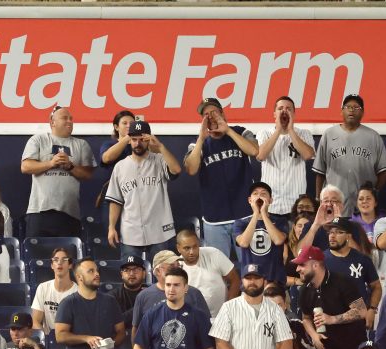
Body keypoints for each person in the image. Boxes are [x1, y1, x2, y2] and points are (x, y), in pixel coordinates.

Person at [184, 98, 258, 258]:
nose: (210, 117)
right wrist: (201, 139)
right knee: (217, 273)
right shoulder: (198, 144)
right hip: (215, 220)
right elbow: (191, 168)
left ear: (223, 113)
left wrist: (228, 131)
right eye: (206, 114)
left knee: (251, 267)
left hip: (244, 215)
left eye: (214, 112)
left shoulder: (240, 131)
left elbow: (254, 151)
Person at [106, 120, 180, 259]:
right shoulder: (120, 167)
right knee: (131, 274)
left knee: (163, 273)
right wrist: (111, 227)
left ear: (148, 140)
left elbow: (176, 170)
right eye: (134, 139)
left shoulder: (160, 160)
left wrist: (160, 147)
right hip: (130, 232)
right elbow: (115, 200)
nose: (137, 143)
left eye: (142, 139)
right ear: (129, 141)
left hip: (159, 230)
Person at [20, 106, 96, 237]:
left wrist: (70, 166)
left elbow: (88, 174)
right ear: (52, 122)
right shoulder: (38, 140)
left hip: (70, 213)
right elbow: (25, 167)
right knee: (37, 255)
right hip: (39, 211)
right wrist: (51, 163)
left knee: (69, 256)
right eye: (64, 118)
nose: (69, 121)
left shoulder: (81, 144)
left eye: (71, 119)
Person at [312, 94, 386, 214]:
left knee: (361, 232)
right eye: (348, 107)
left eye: (356, 107)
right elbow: (320, 172)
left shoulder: (373, 137)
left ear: (362, 113)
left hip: (363, 203)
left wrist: (374, 192)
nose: (352, 110)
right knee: (336, 230)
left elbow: (383, 171)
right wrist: (318, 198)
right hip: (334, 202)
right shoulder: (329, 134)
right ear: (341, 111)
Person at [292, 245, 368, 349]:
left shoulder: (342, 282)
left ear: (315, 265)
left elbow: (362, 311)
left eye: (302, 265)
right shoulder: (304, 290)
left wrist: (332, 319)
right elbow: (306, 318)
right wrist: (314, 336)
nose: (297, 269)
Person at [209, 263, 293, 349]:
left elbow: (287, 345)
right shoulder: (228, 307)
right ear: (242, 281)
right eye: (248, 278)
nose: (252, 282)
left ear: (264, 282)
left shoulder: (275, 309)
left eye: (256, 278)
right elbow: (220, 344)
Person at [133, 266, 214, 349]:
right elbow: (138, 347)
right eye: (168, 285)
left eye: (176, 285)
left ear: (185, 288)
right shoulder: (151, 314)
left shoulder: (199, 316)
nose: (171, 289)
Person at [255, 96, 315, 218]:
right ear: (274, 114)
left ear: (294, 114)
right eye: (280, 108)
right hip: (270, 204)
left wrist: (290, 130)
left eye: (288, 109)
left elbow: (308, 155)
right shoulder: (264, 133)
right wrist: (278, 129)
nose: (284, 111)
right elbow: (261, 156)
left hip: (295, 205)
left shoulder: (304, 133)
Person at [54, 258, 125, 349]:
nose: (97, 274)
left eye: (97, 271)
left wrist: (110, 344)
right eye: (91, 271)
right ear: (79, 277)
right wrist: (86, 338)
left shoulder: (110, 301)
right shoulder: (68, 303)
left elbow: (121, 332)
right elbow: (60, 336)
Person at [130, 249, 210, 340]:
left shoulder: (194, 293)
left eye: (179, 266)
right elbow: (136, 330)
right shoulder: (143, 296)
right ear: (158, 271)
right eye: (172, 266)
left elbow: (206, 325)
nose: (177, 269)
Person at [321, 217, 380, 327]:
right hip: (329, 322)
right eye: (331, 232)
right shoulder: (320, 260)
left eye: (338, 232)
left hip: (357, 322)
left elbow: (376, 286)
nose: (332, 236)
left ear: (348, 236)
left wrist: (372, 309)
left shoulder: (362, 259)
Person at [176, 228, 239, 318]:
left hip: (222, 317)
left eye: (195, 246)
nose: (192, 252)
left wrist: (228, 309)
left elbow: (235, 280)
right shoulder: (177, 267)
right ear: (178, 248)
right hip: (193, 320)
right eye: (187, 248)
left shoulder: (213, 253)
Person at [233, 181, 287, 283]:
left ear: (270, 200)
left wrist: (263, 213)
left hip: (275, 280)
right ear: (250, 200)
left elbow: (278, 240)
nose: (259, 196)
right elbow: (243, 243)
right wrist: (256, 214)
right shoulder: (241, 223)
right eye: (255, 193)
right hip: (250, 280)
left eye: (263, 194)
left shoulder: (280, 221)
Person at [31, 246, 77, 341]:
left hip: (70, 340)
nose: (59, 262)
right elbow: (35, 321)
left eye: (64, 260)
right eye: (56, 260)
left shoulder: (78, 291)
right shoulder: (43, 288)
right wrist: (47, 339)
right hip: (48, 340)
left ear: (70, 265)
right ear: (52, 265)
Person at [108, 254, 148, 342]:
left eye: (136, 269)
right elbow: (115, 323)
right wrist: (141, 305)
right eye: (127, 270)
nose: (131, 273)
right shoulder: (111, 297)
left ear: (144, 273)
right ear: (121, 274)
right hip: (122, 340)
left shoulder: (151, 294)